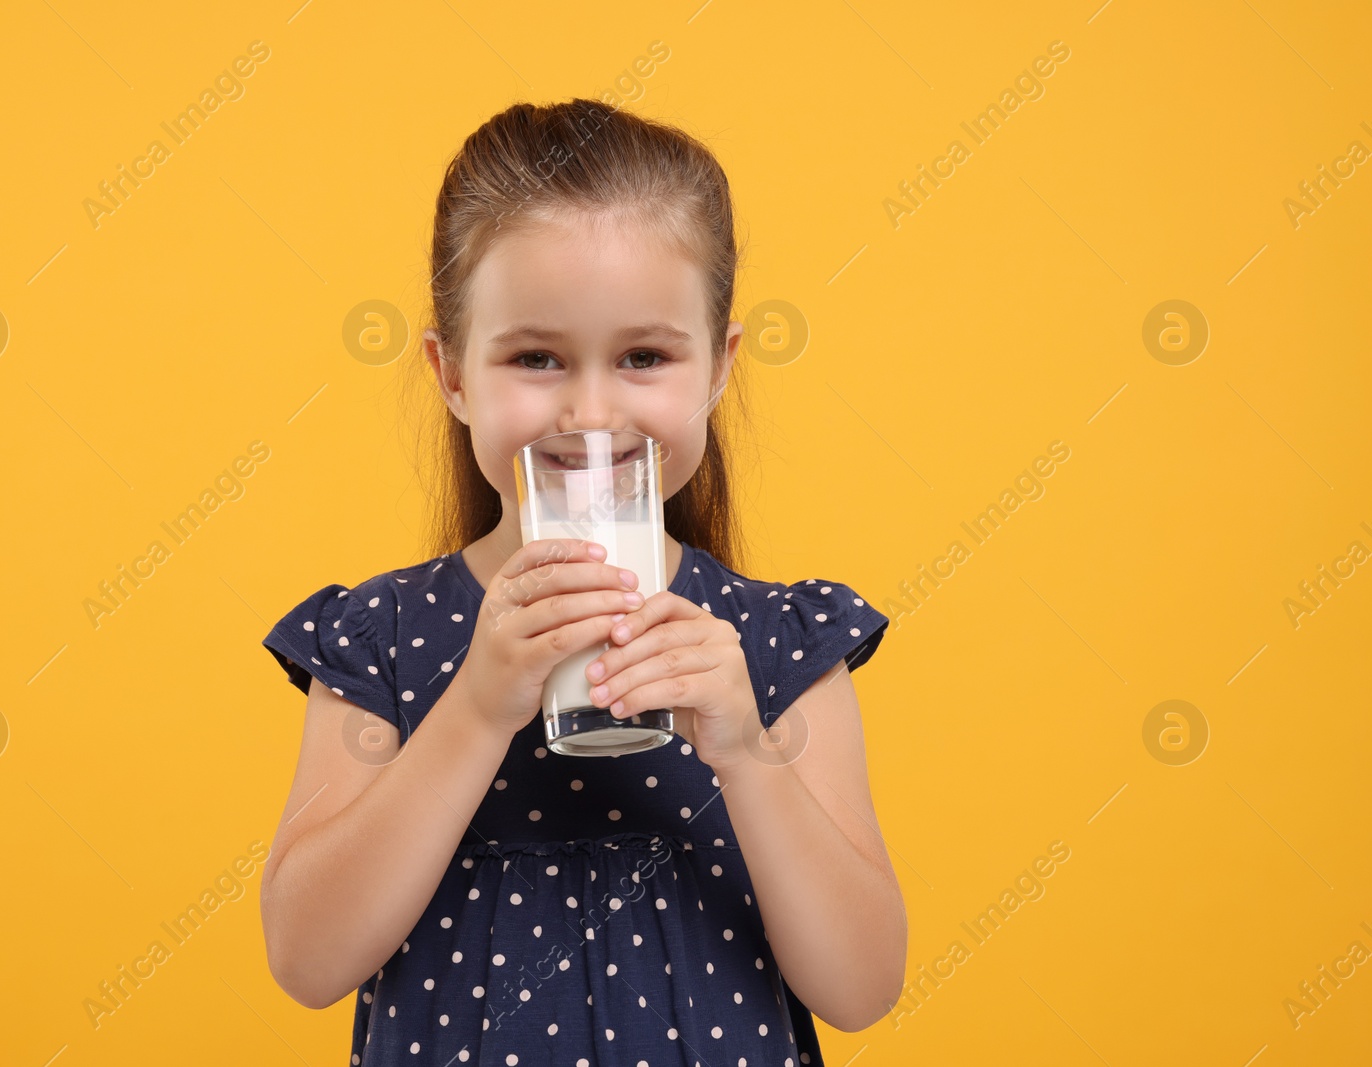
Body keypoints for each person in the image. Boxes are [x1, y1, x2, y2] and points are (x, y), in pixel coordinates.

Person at [258, 97, 905, 1065]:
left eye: (643, 356)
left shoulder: (775, 643)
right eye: (535, 357)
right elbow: (307, 956)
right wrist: (475, 708)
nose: (591, 411)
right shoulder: (383, 636)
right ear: (452, 374)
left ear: (718, 368)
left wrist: (744, 748)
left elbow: (861, 986)